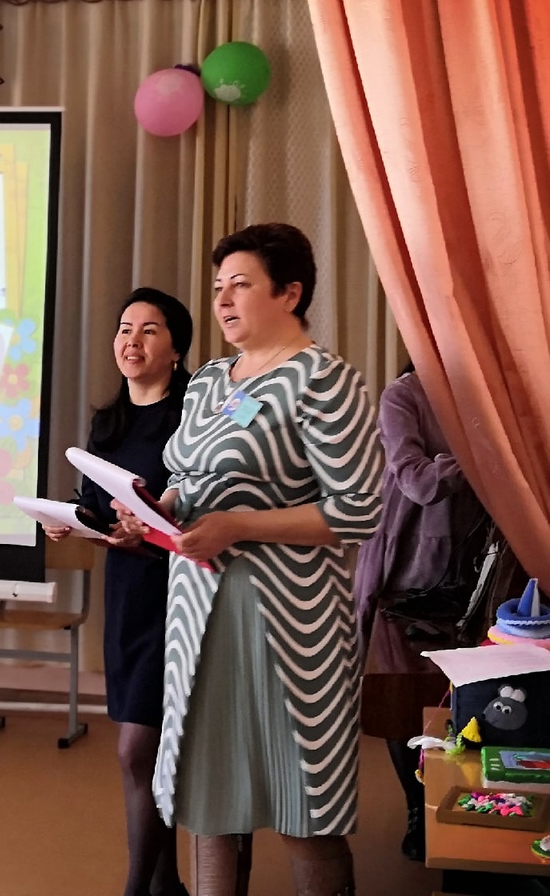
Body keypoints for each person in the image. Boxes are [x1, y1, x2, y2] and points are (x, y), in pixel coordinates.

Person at [121, 225, 383, 896]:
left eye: (240, 285)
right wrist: (154, 509)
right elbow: (189, 476)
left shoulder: (324, 380)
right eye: (218, 288)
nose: (223, 301)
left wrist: (239, 525)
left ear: (290, 293)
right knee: (210, 802)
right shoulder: (210, 381)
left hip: (286, 622)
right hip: (197, 612)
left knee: (305, 805)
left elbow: (360, 508)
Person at [43, 287, 192, 896]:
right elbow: (97, 506)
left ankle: (138, 888)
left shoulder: (188, 418)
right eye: (125, 328)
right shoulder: (108, 422)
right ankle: (166, 885)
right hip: (127, 593)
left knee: (137, 749)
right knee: (142, 750)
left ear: (176, 349)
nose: (132, 341)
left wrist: (147, 526)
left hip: (176, 594)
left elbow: (192, 507)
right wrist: (68, 518)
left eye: (149, 330)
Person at [354, 362, 489, 861]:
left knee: (467, 695)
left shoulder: (485, 393)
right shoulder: (403, 395)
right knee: (404, 696)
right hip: (408, 567)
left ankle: (465, 799)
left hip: (476, 564)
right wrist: (479, 459)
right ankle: (417, 806)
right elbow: (417, 481)